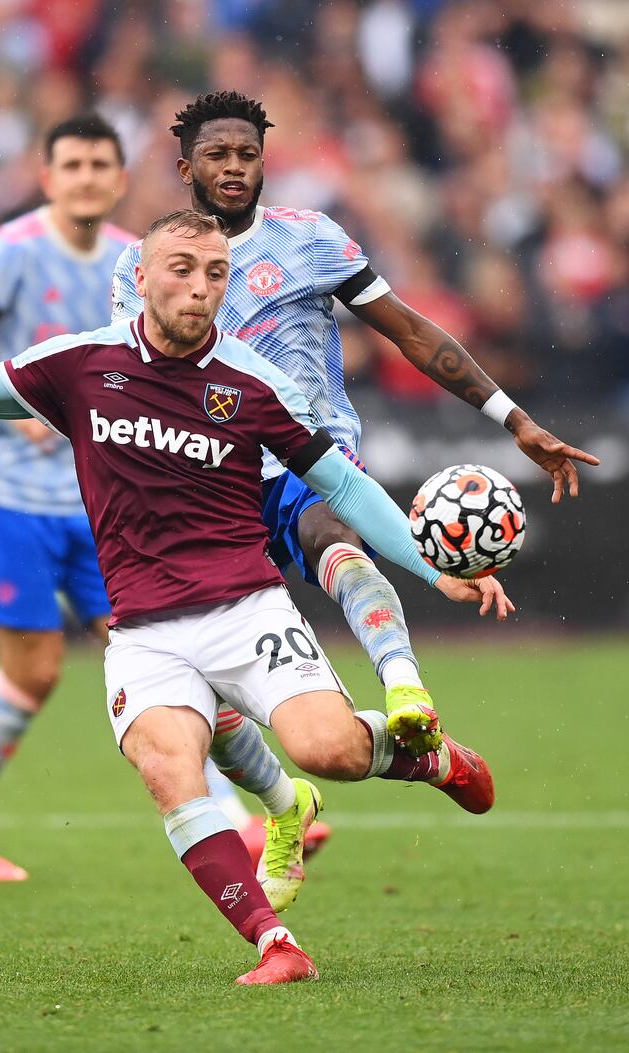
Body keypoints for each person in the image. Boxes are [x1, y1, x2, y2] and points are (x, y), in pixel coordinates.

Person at [0, 210, 513, 984]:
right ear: (139, 277)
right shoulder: (81, 363)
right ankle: (277, 944)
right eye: (180, 268)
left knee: (329, 751)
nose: (199, 286)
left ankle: (430, 758)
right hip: (142, 630)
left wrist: (429, 564)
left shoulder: (253, 381)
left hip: (247, 608)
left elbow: (341, 482)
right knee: (170, 771)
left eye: (214, 273)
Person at [110, 90, 599, 844]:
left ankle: (405, 686)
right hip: (206, 480)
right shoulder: (139, 269)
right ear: (186, 167)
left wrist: (513, 417)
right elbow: (132, 384)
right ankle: (289, 806)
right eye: (218, 155)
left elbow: (408, 330)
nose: (235, 167)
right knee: (203, 678)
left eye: (247, 153)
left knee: (329, 532)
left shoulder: (310, 240)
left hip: (306, 451)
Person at [0, 111, 328, 888]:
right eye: (72, 166)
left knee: (184, 653)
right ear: (47, 178)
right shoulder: (10, 252)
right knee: (34, 672)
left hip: (103, 508)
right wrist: (40, 407)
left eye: (102, 166)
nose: (89, 179)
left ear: (119, 178)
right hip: (7, 493)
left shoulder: (134, 256)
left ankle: (263, 808)